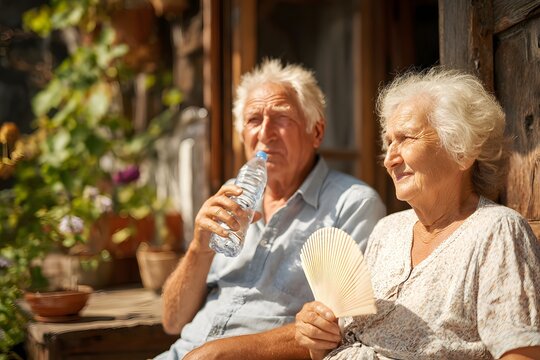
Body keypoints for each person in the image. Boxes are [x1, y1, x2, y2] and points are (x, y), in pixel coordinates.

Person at [295, 67, 540, 359]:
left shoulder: (496, 230)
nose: (389, 159)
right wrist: (319, 336)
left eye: (407, 138)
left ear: (461, 151)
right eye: (388, 144)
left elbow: (521, 353)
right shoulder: (387, 231)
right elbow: (341, 342)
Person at [156, 59, 386, 359]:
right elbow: (172, 322)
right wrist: (199, 248)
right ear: (242, 136)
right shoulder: (231, 196)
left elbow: (345, 325)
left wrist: (221, 354)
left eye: (281, 117)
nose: (265, 133)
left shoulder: (352, 204)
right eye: (254, 120)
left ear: (316, 132)